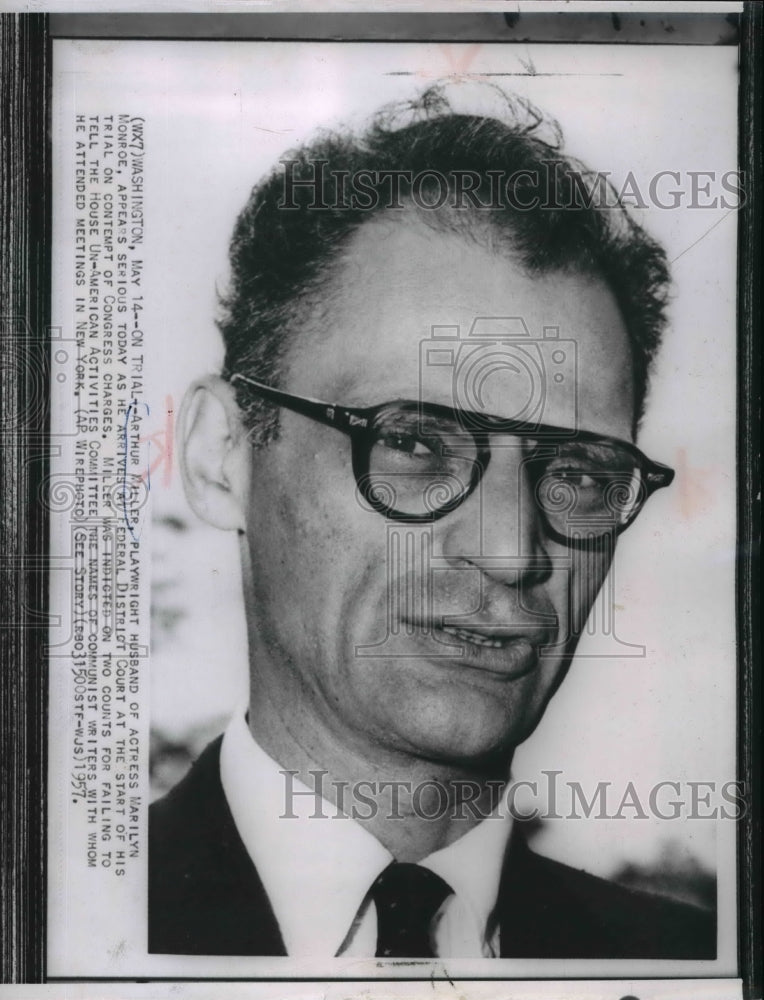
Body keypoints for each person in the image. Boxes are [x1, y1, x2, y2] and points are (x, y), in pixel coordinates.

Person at [149, 84, 715, 960]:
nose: (510, 549)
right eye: (414, 443)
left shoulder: (690, 963)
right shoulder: (62, 932)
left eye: (575, 471)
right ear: (222, 454)